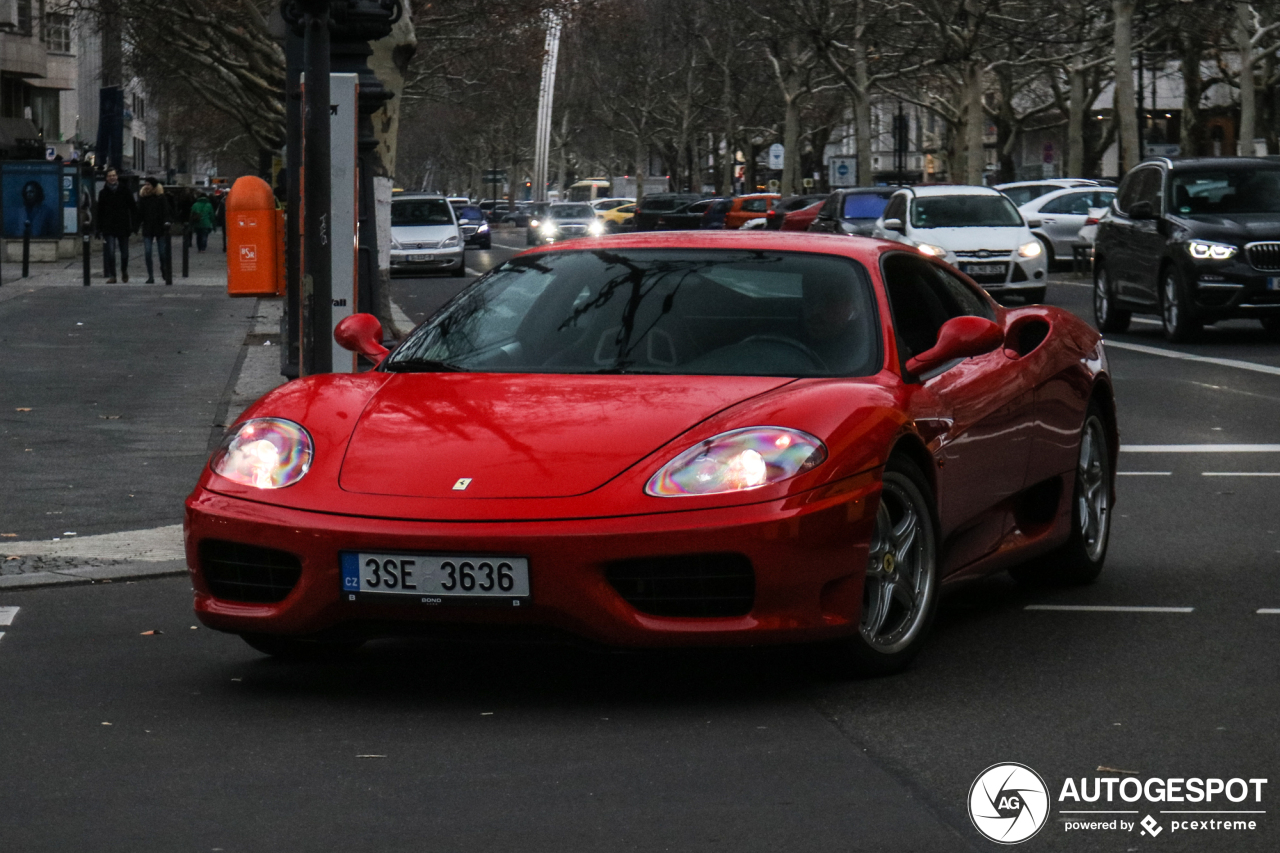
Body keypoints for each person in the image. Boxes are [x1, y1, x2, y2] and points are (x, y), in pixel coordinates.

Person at [96, 168, 138, 282]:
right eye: (110, 176)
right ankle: (113, 275)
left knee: (124, 254)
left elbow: (133, 208)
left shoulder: (125, 190)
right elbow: (99, 211)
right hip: (108, 226)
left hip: (123, 226)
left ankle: (124, 270)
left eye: (114, 175)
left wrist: (134, 225)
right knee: (110, 253)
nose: (112, 177)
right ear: (106, 178)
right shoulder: (103, 193)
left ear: (117, 177)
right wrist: (98, 228)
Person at [137, 177, 173, 284]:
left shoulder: (161, 198)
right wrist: (135, 226)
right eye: (146, 184)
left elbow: (166, 212)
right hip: (148, 228)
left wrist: (167, 222)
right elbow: (140, 214)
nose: (146, 186)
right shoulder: (143, 198)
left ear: (153, 186)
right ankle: (150, 276)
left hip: (160, 228)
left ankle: (164, 269)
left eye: (148, 184)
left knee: (162, 253)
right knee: (148, 252)